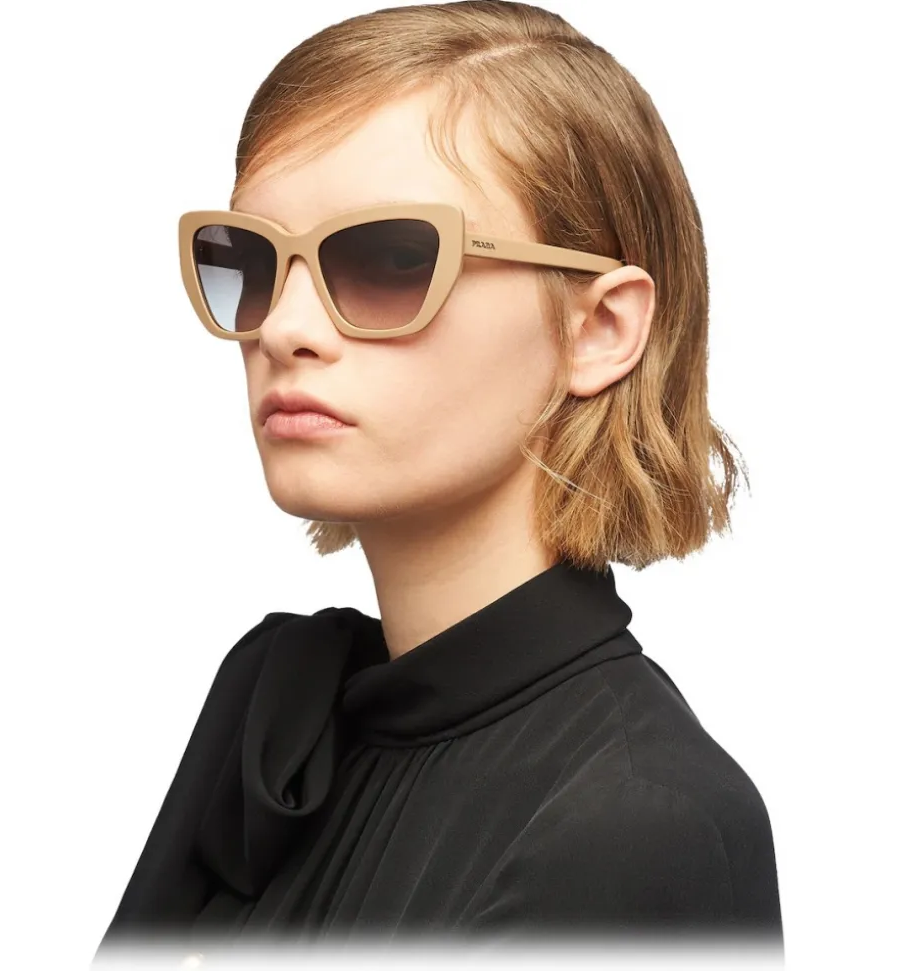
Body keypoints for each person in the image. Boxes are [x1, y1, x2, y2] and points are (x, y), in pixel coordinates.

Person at [94, 0, 782, 963]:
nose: (283, 329)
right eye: (250, 262)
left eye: (389, 260)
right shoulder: (277, 703)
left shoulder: (641, 823)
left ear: (599, 329)